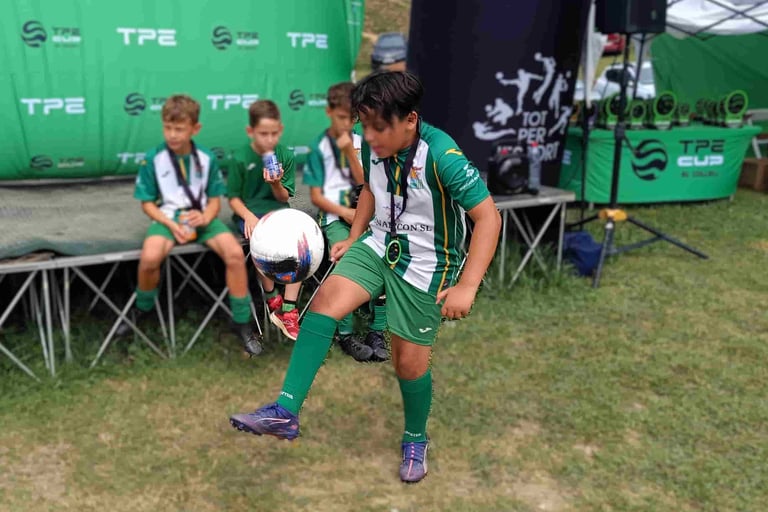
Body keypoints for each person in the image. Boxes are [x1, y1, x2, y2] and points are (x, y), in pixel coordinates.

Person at [230, 71, 502, 483]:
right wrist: (353, 239)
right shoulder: (370, 135)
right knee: (322, 308)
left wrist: (467, 285)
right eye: (364, 124)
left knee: (408, 364)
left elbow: (488, 218)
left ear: (410, 119)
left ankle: (415, 438)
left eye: (379, 127)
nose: (369, 136)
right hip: (378, 242)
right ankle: (285, 411)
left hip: (428, 262)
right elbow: (372, 190)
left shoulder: (442, 156)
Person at [120, 94, 262, 356]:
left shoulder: (206, 158)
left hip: (202, 219)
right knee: (150, 258)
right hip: (168, 218)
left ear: (194, 129)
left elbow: (214, 202)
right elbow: (147, 204)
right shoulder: (153, 158)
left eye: (179, 129)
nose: (172, 134)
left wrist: (205, 218)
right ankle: (143, 307)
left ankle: (242, 321)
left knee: (234, 253)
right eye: (167, 128)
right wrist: (170, 224)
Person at [303, 81, 388, 363]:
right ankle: (346, 333)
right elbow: (316, 195)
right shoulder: (320, 148)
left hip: (366, 215)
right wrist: (344, 212)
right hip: (334, 217)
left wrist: (351, 150)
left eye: (351, 119)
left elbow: (367, 183)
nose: (346, 124)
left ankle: (377, 331)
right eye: (340, 117)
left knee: (387, 254)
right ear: (329, 112)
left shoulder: (363, 144)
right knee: (348, 257)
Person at [227, 100, 301, 341]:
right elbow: (233, 199)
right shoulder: (240, 157)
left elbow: (284, 196)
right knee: (262, 238)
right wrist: (248, 215)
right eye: (263, 134)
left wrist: (275, 183)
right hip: (251, 214)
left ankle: (289, 309)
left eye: (273, 134)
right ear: (251, 132)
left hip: (279, 211)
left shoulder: (285, 155)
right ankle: (271, 298)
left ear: (280, 130)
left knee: (302, 241)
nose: (269, 139)